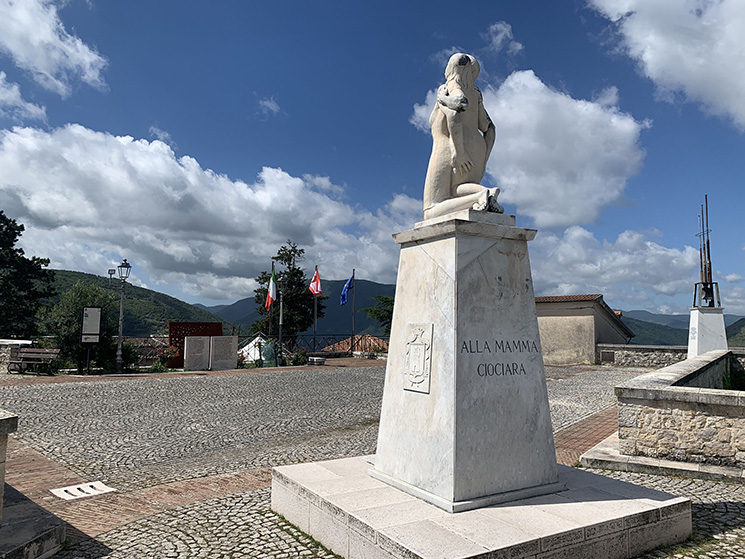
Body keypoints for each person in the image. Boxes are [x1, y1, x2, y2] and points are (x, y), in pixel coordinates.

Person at [422, 53, 502, 219]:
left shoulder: (448, 87)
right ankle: (486, 193)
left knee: (431, 209)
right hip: (478, 150)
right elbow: (490, 129)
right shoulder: (476, 94)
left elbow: (455, 112)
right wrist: (484, 161)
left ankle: (480, 196)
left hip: (450, 149)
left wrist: (459, 152)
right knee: (457, 191)